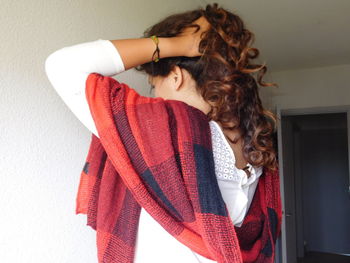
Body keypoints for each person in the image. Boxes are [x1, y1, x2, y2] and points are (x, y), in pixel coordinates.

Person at [45, 3, 281, 263]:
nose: (154, 95)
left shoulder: (165, 131)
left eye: (153, 84)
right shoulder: (252, 138)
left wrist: (177, 46)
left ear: (176, 77)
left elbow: (62, 65)